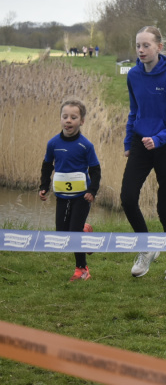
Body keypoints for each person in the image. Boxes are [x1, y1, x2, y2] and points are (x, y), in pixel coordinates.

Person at [121, 26, 166, 282]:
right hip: (141, 142)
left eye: (146, 45)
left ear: (159, 47)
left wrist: (158, 139)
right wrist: (129, 141)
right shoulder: (133, 75)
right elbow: (133, 111)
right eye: (138, 45)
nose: (141, 50)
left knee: (164, 206)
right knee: (127, 198)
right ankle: (146, 246)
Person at [39, 98, 101, 281]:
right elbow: (47, 166)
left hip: (82, 196)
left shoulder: (86, 145)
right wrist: (44, 186)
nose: (68, 120)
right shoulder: (53, 143)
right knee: (62, 233)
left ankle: (82, 269)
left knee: (74, 233)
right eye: (65, 116)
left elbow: (95, 170)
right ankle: (85, 230)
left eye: (73, 117)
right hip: (62, 195)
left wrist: (92, 191)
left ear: (81, 121)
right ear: (60, 119)